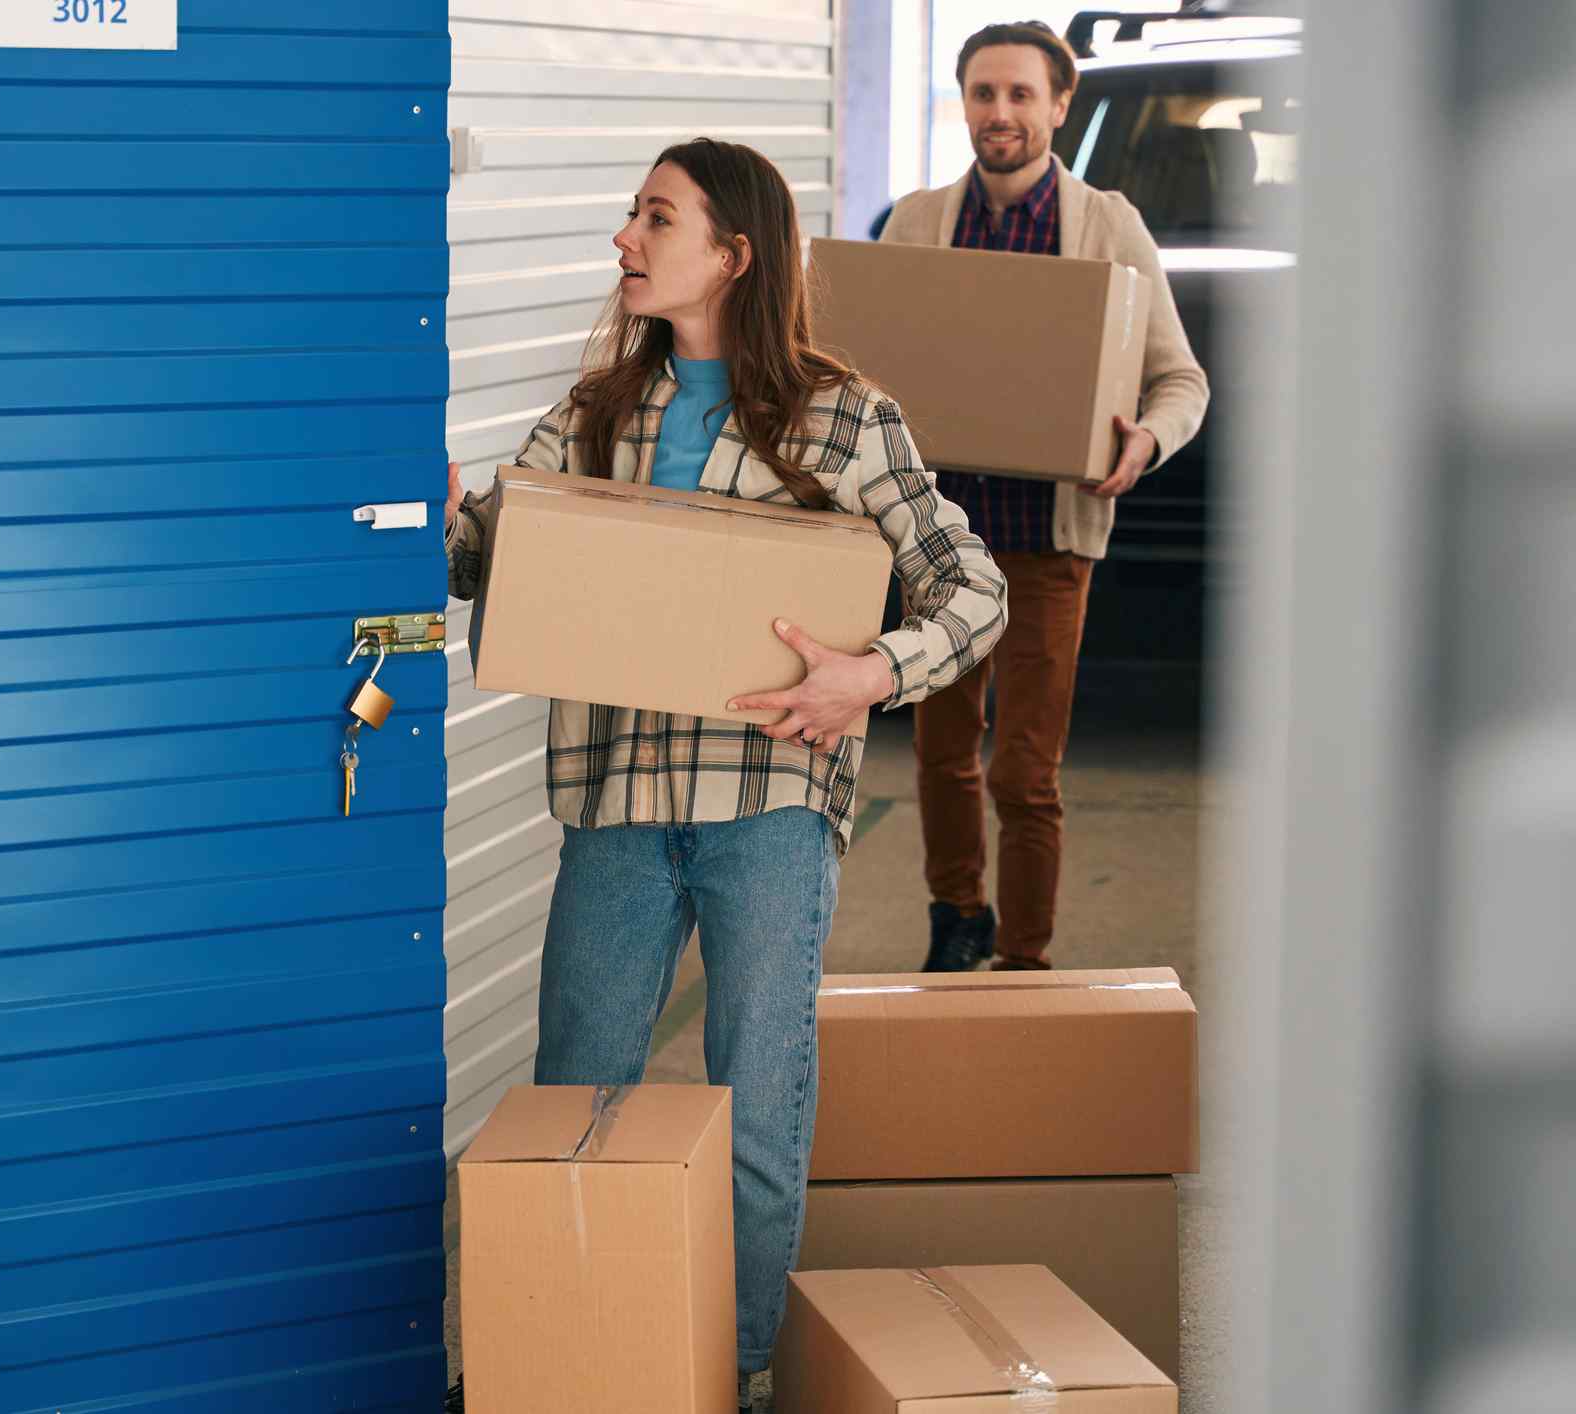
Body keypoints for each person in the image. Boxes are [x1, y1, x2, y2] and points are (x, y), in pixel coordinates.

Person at [441, 138, 1006, 1408]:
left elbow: (975, 592)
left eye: (655, 217)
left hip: (766, 810)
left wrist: (873, 674)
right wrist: (442, 515)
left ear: (733, 253)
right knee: (577, 1096)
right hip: (617, 810)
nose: (625, 240)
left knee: (755, 1111)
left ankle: (735, 1369)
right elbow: (493, 556)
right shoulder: (595, 413)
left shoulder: (848, 418)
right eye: (634, 215)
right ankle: (573, 1355)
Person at [881, 21, 1209, 972]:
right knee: (940, 759)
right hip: (939, 545)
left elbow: (1178, 380)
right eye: (984, 94)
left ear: (1059, 107)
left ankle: (1024, 959)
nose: (1000, 114)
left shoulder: (1108, 228)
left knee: (1022, 772)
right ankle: (958, 916)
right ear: (964, 103)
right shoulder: (916, 224)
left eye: (1021, 95)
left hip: (1047, 543)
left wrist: (1145, 440)